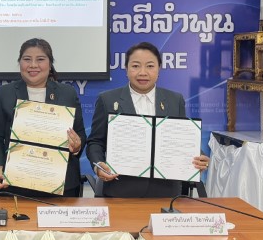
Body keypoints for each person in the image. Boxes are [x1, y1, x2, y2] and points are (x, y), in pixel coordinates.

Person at [86, 41, 209, 198]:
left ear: (159, 69)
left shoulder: (175, 100)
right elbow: (95, 142)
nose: (142, 72)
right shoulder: (107, 100)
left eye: (150, 66)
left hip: (165, 192)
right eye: (135, 66)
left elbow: (181, 139)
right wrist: (98, 165)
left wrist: (198, 157)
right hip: (120, 191)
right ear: (126, 69)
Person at [0, 38, 86, 197]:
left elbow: (80, 133)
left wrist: (77, 146)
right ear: (19, 63)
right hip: (16, 183)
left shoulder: (67, 94)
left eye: (40, 59)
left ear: (50, 64)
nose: (33, 65)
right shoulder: (4, 94)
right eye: (27, 59)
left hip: (61, 185)